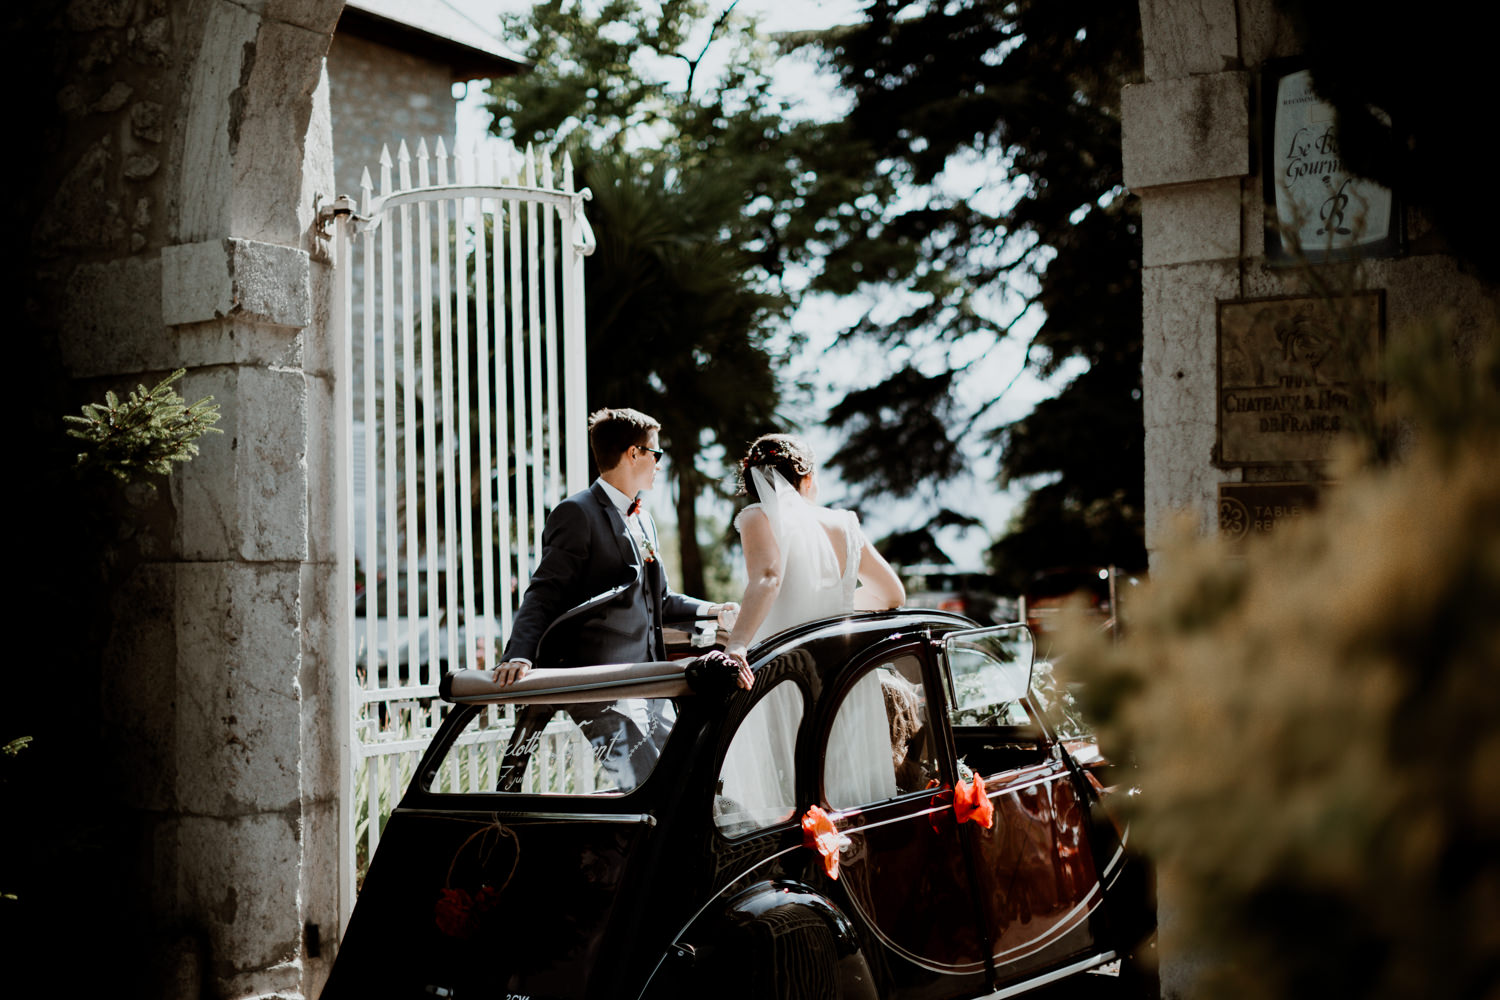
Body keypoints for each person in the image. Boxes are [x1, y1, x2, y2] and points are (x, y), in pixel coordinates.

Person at [490, 407, 739, 789]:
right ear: (633, 453)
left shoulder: (644, 519)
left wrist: (714, 612)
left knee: (692, 776)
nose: (658, 463)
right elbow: (545, 589)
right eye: (655, 453)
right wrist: (518, 653)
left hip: (650, 683)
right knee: (646, 786)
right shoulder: (576, 512)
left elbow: (662, 599)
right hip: (597, 683)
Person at [723, 434, 906, 683]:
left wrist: (737, 643)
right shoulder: (845, 524)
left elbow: (767, 578)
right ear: (808, 478)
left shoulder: (757, 516)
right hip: (845, 666)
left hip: (784, 665)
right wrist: (834, 604)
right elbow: (893, 595)